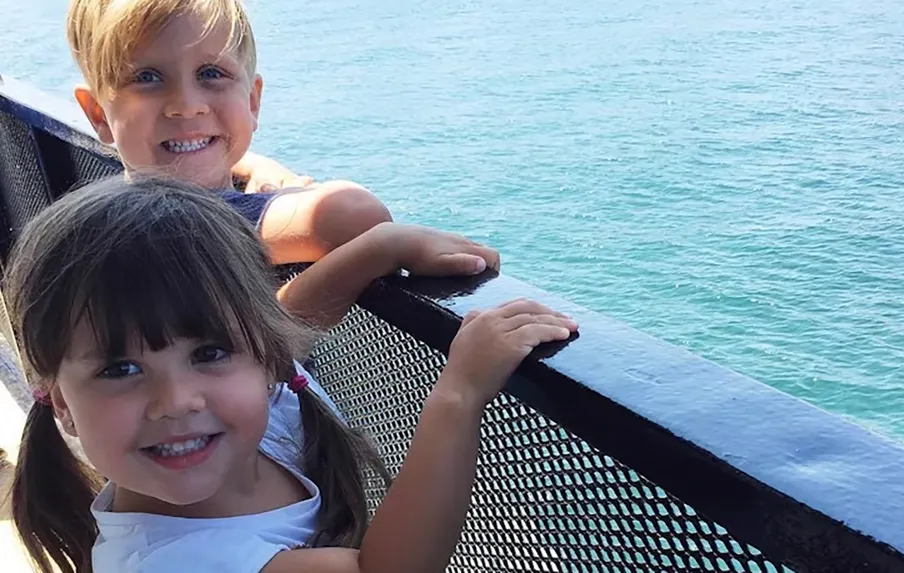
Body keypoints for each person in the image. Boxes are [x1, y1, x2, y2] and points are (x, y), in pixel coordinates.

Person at [5, 177, 577, 573]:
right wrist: (459, 393)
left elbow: (284, 320)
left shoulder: (252, 406)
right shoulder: (171, 560)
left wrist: (380, 246)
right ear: (58, 402)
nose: (175, 400)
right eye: (120, 368)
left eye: (207, 353)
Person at [65, 0, 499, 327]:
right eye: (147, 77)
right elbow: (352, 216)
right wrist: (383, 247)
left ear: (251, 99)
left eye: (211, 74)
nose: (186, 106)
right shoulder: (170, 231)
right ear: (98, 114)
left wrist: (250, 164)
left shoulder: (106, 220)